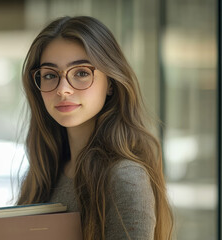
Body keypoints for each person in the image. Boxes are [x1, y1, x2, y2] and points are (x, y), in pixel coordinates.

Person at [16, 16, 173, 240]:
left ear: (110, 81)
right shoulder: (45, 173)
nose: (63, 89)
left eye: (81, 73)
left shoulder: (124, 177)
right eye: (50, 75)